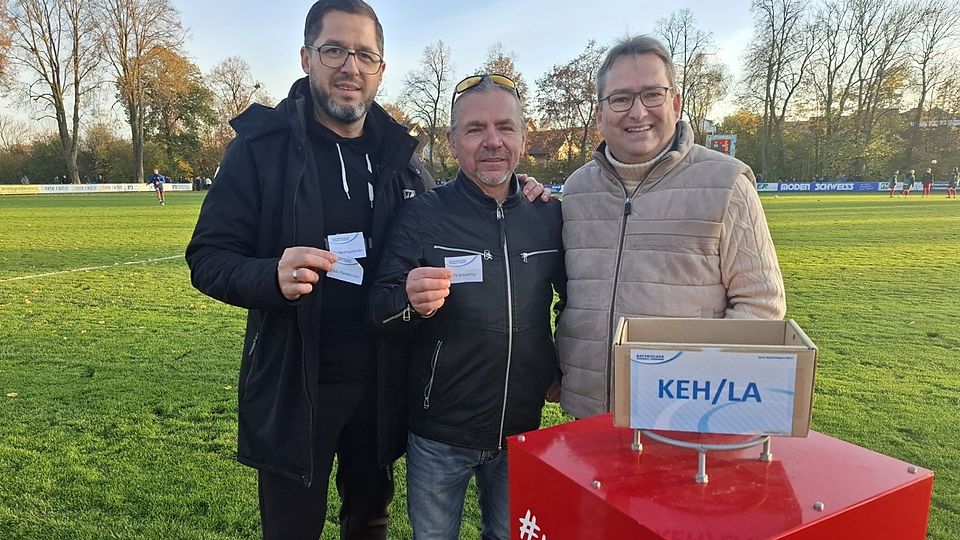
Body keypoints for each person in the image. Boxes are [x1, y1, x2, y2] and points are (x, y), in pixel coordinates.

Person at [184, 2, 547, 538]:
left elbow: (452, 216)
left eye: (365, 54)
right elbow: (207, 258)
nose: (349, 66)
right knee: (292, 530)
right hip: (296, 385)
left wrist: (517, 193)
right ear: (307, 58)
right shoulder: (260, 149)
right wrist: (270, 277)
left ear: (381, 69)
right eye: (334, 50)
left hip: (383, 383)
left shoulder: (398, 154)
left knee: (369, 521)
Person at [368, 74, 564, 540]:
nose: (492, 141)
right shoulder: (422, 214)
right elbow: (378, 306)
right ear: (453, 142)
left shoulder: (550, 215)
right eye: (475, 129)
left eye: (505, 127)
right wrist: (410, 301)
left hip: (522, 430)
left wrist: (558, 365)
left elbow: (574, 301)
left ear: (523, 136)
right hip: (440, 434)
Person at [556, 35, 786, 419]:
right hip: (588, 414)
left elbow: (761, 304)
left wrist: (693, 385)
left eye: (652, 94)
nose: (637, 111)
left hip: (683, 414)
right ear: (599, 114)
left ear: (675, 103)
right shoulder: (577, 190)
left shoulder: (726, 183)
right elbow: (570, 296)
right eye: (620, 98)